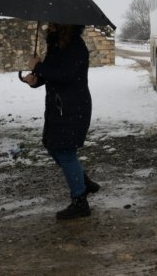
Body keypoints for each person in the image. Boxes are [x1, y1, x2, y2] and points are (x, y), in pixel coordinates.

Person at [22, 23, 100, 220]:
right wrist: (36, 79)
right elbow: (51, 74)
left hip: (73, 107)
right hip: (58, 106)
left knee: (64, 151)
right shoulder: (56, 44)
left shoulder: (75, 46)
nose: (50, 25)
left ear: (66, 24)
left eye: (55, 22)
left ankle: (80, 201)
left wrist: (38, 66)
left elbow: (66, 75)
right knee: (52, 146)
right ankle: (82, 181)